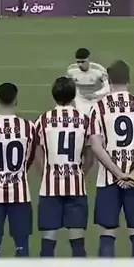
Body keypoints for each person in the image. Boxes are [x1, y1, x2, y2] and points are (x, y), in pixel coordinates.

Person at [88, 60, 134, 257]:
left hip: (108, 180)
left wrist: (118, 174)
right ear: (129, 79)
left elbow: (96, 146)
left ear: (109, 81)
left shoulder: (99, 108)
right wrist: (132, 175)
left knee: (107, 234)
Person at [35, 77, 94, 257]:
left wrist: (46, 175)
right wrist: (80, 175)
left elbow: (38, 154)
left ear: (54, 95)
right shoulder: (84, 120)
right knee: (78, 245)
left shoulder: (43, 120)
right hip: (76, 188)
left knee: (47, 244)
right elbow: (90, 157)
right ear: (74, 95)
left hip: (50, 189)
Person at [0, 83, 36, 257]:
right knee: (22, 247)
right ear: (16, 100)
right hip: (20, 192)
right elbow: (29, 158)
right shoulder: (29, 127)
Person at [66, 48, 110, 116]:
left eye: (83, 62)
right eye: (78, 62)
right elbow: (67, 86)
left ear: (89, 60)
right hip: (80, 102)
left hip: (95, 101)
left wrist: (95, 95)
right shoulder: (72, 70)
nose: (80, 65)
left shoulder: (99, 70)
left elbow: (108, 87)